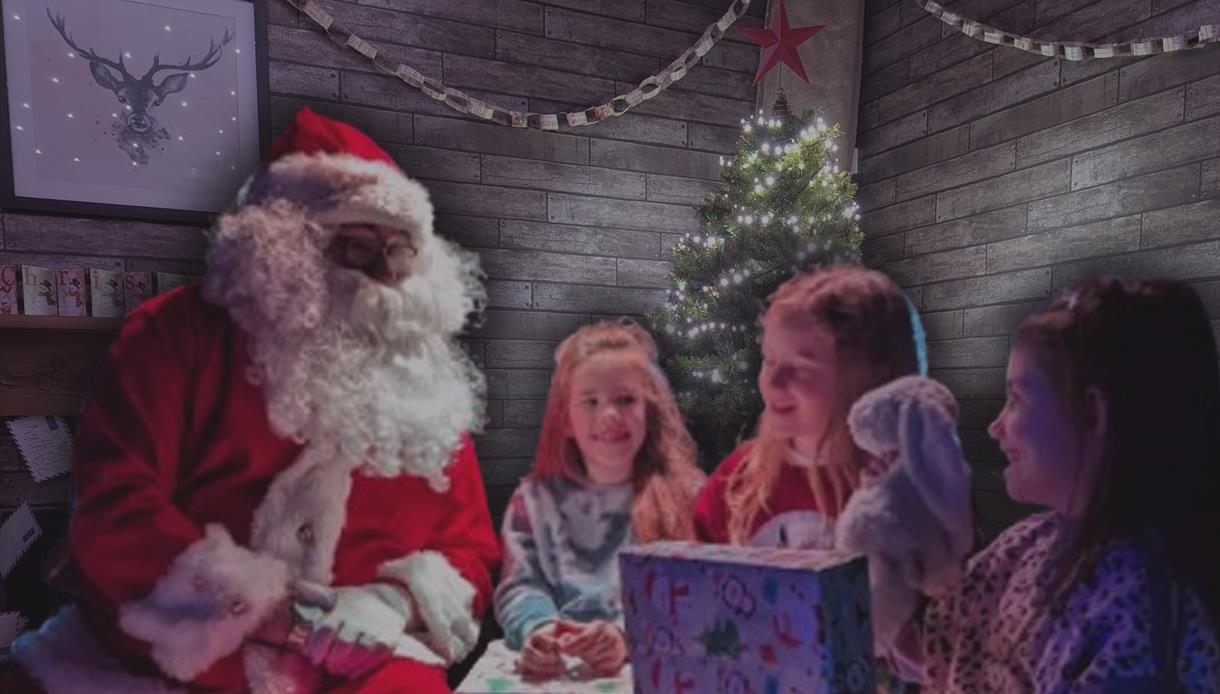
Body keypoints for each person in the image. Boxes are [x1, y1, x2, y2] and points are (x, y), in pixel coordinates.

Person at [7, 107, 500, 693]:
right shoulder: (173, 334)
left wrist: (393, 605)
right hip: (184, 651)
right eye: (358, 245)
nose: (382, 273)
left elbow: (469, 546)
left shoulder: (425, 371)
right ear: (282, 244)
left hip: (370, 656)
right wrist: (273, 613)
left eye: (398, 249)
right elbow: (118, 509)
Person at [921, 277, 1220, 691]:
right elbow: (933, 641)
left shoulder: (1144, 612)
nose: (995, 427)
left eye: (1017, 399)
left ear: (1093, 413)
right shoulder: (1025, 543)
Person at [493, 321, 705, 680]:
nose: (608, 415)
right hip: (562, 672)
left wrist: (627, 633)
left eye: (625, 399)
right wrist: (540, 630)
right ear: (566, 418)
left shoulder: (688, 495)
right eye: (590, 401)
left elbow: (696, 593)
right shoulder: (533, 501)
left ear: (649, 408)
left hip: (655, 664)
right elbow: (521, 584)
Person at [694, 265, 923, 550]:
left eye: (800, 367)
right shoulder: (738, 478)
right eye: (769, 359)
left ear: (872, 374)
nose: (774, 382)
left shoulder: (913, 481)